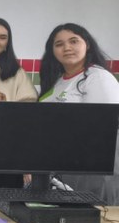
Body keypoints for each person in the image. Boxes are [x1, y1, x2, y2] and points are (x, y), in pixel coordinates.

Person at [39, 23, 119, 204]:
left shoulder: (98, 77)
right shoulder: (58, 82)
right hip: (66, 166)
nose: (67, 47)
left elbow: (103, 126)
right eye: (59, 44)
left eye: (73, 41)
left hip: (94, 169)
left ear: (87, 44)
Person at [0, 18, 37, 106]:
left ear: (7, 44)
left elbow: (29, 110)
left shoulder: (17, 73)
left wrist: (5, 105)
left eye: (2, 38)